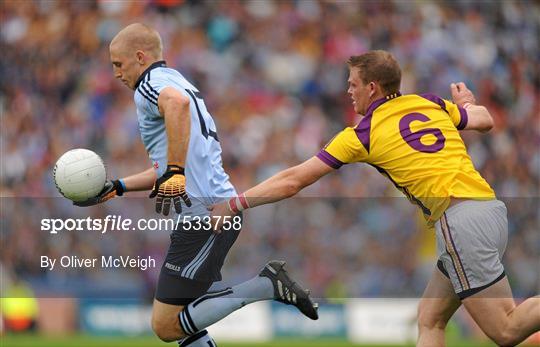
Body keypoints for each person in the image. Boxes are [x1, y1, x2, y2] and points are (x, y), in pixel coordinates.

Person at [211, 50, 540, 346]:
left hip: (460, 221)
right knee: (430, 318)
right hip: (489, 210)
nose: (348, 91)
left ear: (373, 88)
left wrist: (237, 203)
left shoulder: (362, 134)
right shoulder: (429, 102)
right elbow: (484, 120)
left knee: (504, 330)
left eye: (353, 84)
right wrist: (467, 103)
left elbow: (293, 180)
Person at [75, 23, 318, 346]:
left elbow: (176, 108)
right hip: (207, 212)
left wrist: (174, 172)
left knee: (166, 325)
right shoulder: (175, 80)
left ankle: (266, 284)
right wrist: (118, 186)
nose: (116, 73)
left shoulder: (151, 85)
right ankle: (265, 285)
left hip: (204, 216)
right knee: (183, 322)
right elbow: (168, 166)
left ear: (140, 57)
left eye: (118, 64)